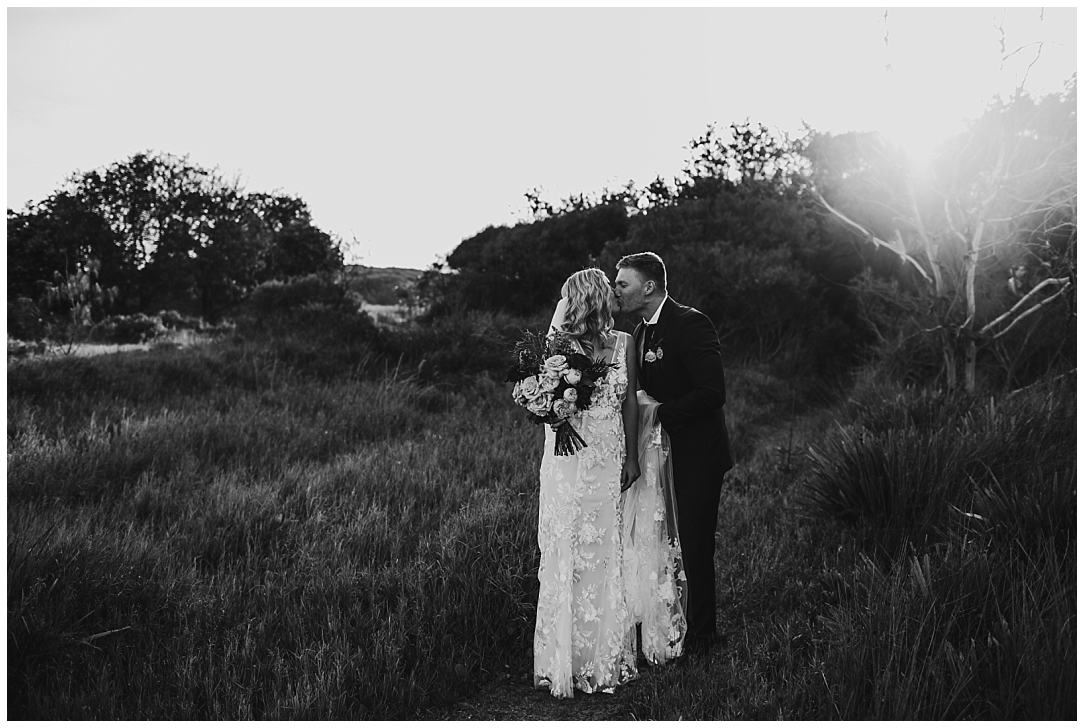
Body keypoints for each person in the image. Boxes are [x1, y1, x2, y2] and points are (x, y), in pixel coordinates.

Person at [614, 252, 733, 657]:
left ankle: (704, 637)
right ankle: (673, 624)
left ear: (648, 286)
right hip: (659, 456)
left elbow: (712, 392)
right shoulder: (639, 332)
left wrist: (660, 413)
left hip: (697, 454)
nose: (616, 290)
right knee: (667, 542)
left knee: (695, 544)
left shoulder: (690, 323)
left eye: (623, 283)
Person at [533, 268, 641, 698]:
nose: (615, 294)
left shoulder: (625, 343)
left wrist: (632, 456)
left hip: (609, 458)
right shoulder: (560, 348)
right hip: (570, 463)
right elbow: (546, 402)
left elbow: (629, 400)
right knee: (569, 549)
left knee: (604, 549)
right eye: (609, 290)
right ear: (595, 298)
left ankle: (602, 656)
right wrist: (553, 409)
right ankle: (563, 659)